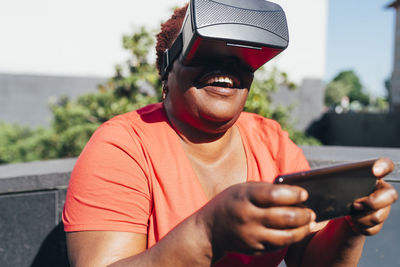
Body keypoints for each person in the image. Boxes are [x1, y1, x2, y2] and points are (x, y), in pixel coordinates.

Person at [62, 4, 398, 267]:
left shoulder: (272, 142)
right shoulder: (123, 145)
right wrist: (208, 233)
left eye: (244, 61)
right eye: (206, 55)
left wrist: (350, 227)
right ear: (167, 70)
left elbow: (309, 261)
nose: (229, 69)